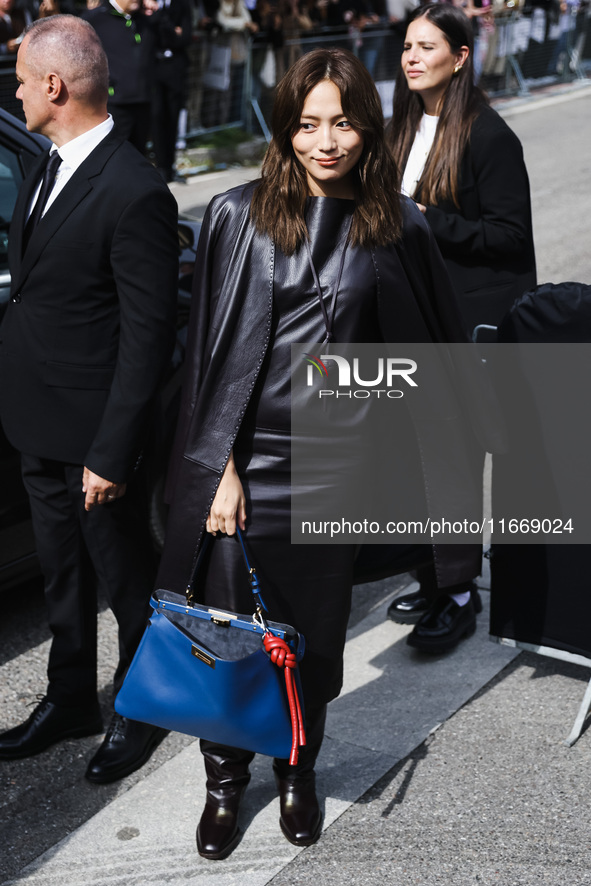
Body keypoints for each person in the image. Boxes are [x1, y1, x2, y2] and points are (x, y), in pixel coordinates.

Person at [157, 47, 487, 860]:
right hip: (246, 465)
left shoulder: (397, 224)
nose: (325, 140)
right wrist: (219, 469)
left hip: (339, 469)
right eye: (307, 124)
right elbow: (204, 359)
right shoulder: (236, 214)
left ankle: (299, 770)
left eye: (341, 121)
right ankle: (224, 783)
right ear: (286, 129)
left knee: (312, 637)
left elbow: (427, 358)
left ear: (367, 128)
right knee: (229, 634)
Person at [0, 14, 179, 784]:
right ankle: (70, 697)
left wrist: (112, 450)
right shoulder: (45, 164)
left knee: (124, 578)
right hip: (35, 420)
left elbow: (147, 339)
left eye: (18, 77)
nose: (12, 89)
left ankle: (142, 708)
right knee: (60, 576)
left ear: (53, 85)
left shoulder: (135, 190)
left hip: (94, 438)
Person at [385, 3, 536, 650]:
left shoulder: (487, 134)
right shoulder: (400, 126)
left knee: (447, 463)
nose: (411, 56)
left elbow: (508, 237)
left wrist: (423, 216)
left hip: (463, 325)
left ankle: (458, 592)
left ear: (460, 56)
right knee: (408, 461)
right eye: (407, 46)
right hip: (405, 317)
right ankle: (429, 575)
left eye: (426, 46)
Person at [84, 0, 158, 154]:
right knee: (113, 156)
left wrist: (158, 14)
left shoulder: (146, 20)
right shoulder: (95, 19)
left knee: (138, 156)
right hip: (112, 104)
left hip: (143, 101)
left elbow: (173, 40)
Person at [151, 0, 193, 183]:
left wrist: (165, 25)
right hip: (154, 69)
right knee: (157, 116)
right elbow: (151, 36)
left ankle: (170, 166)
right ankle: (160, 166)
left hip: (175, 70)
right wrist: (171, 27)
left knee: (172, 117)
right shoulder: (149, 5)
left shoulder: (182, 4)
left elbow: (185, 38)